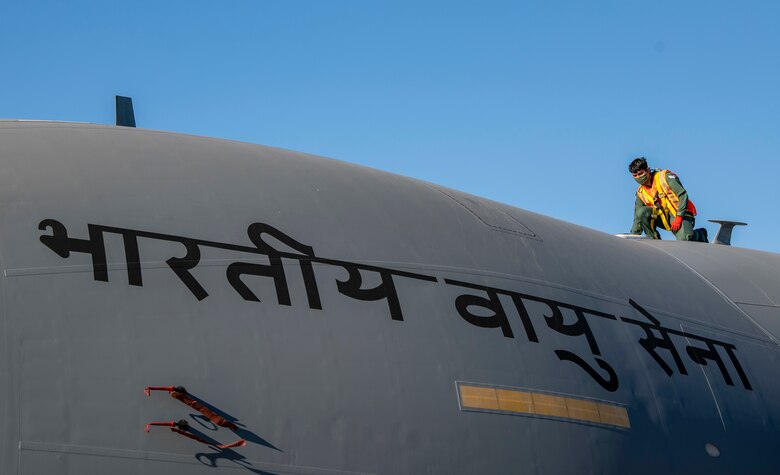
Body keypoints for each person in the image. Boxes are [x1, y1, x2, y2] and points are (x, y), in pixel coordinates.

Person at [628, 157, 708, 242]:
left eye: (640, 174)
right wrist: (633, 236)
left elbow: (683, 195)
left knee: (685, 239)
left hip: (681, 212)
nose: (638, 177)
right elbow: (637, 216)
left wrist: (679, 216)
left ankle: (700, 234)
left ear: (648, 170)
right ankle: (654, 241)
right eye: (635, 175)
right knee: (641, 212)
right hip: (664, 217)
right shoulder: (640, 192)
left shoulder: (664, 177)